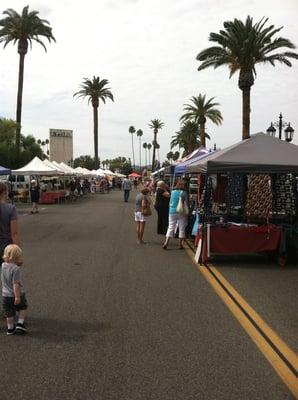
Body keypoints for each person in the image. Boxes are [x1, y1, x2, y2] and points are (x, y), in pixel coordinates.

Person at [1, 244, 28, 335]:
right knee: (23, 307)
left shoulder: (3, 265)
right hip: (16, 294)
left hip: (5, 295)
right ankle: (20, 323)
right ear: (17, 256)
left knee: (9, 313)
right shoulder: (16, 269)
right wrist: (17, 296)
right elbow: (15, 284)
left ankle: (10, 329)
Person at [162, 180, 188, 250]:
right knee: (182, 228)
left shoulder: (172, 192)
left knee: (170, 227)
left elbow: (170, 202)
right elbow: (186, 203)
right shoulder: (184, 193)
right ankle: (180, 245)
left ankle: (166, 243)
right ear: (182, 186)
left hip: (172, 211)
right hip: (181, 212)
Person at [0, 182, 20, 262]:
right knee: (7, 273)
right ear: (4, 193)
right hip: (6, 247)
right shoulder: (11, 208)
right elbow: (14, 233)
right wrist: (18, 254)